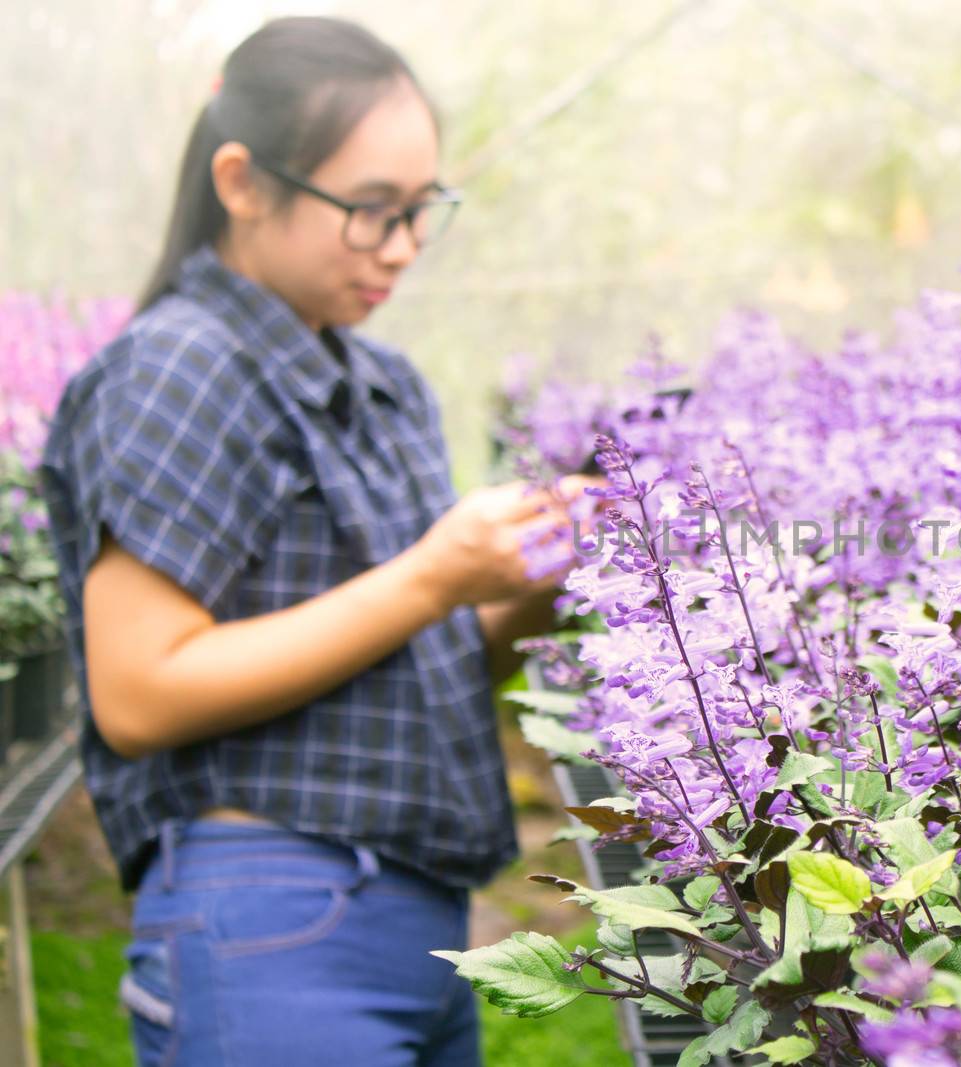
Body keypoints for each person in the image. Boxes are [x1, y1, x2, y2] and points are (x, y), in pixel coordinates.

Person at [37, 16, 584, 1066]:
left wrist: (535, 575)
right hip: (274, 914)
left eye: (422, 209)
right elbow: (140, 689)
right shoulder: (183, 367)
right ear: (242, 181)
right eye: (370, 209)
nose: (403, 245)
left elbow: (410, 657)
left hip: (411, 911)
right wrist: (432, 575)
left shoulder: (381, 387)